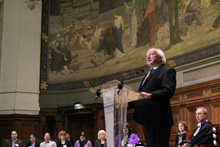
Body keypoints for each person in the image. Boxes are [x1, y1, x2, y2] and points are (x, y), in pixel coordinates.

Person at [133, 48, 177, 147]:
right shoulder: (148, 73)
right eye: (147, 55)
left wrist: (152, 95)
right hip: (148, 117)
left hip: (159, 117)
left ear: (161, 57)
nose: (148, 57)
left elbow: (168, 91)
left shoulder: (167, 71)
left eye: (151, 54)